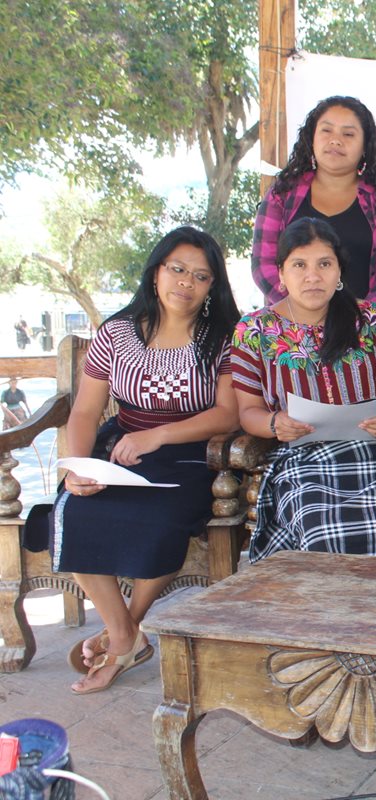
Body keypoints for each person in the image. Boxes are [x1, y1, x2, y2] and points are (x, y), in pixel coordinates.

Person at [26, 226, 241, 694]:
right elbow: (85, 411)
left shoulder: (223, 338)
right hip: (118, 449)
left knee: (164, 518)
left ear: (212, 286)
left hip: (190, 454)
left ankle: (125, 634)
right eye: (177, 269)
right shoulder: (117, 333)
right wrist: (77, 466)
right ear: (156, 271)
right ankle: (124, 634)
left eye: (200, 276)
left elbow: (227, 414)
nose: (185, 282)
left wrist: (157, 436)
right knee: (73, 510)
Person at [234, 217, 376, 561]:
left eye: (324, 264)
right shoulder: (254, 331)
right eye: (299, 265)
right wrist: (274, 423)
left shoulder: (372, 321)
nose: (313, 276)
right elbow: (248, 412)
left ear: (339, 272)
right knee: (319, 530)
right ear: (281, 273)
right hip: (302, 458)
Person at [252, 96, 376, 313]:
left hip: (365, 327)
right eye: (326, 131)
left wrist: (365, 313)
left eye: (348, 134)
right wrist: (304, 310)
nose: (335, 140)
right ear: (312, 138)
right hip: (292, 326)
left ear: (365, 146)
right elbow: (263, 264)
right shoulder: (282, 194)